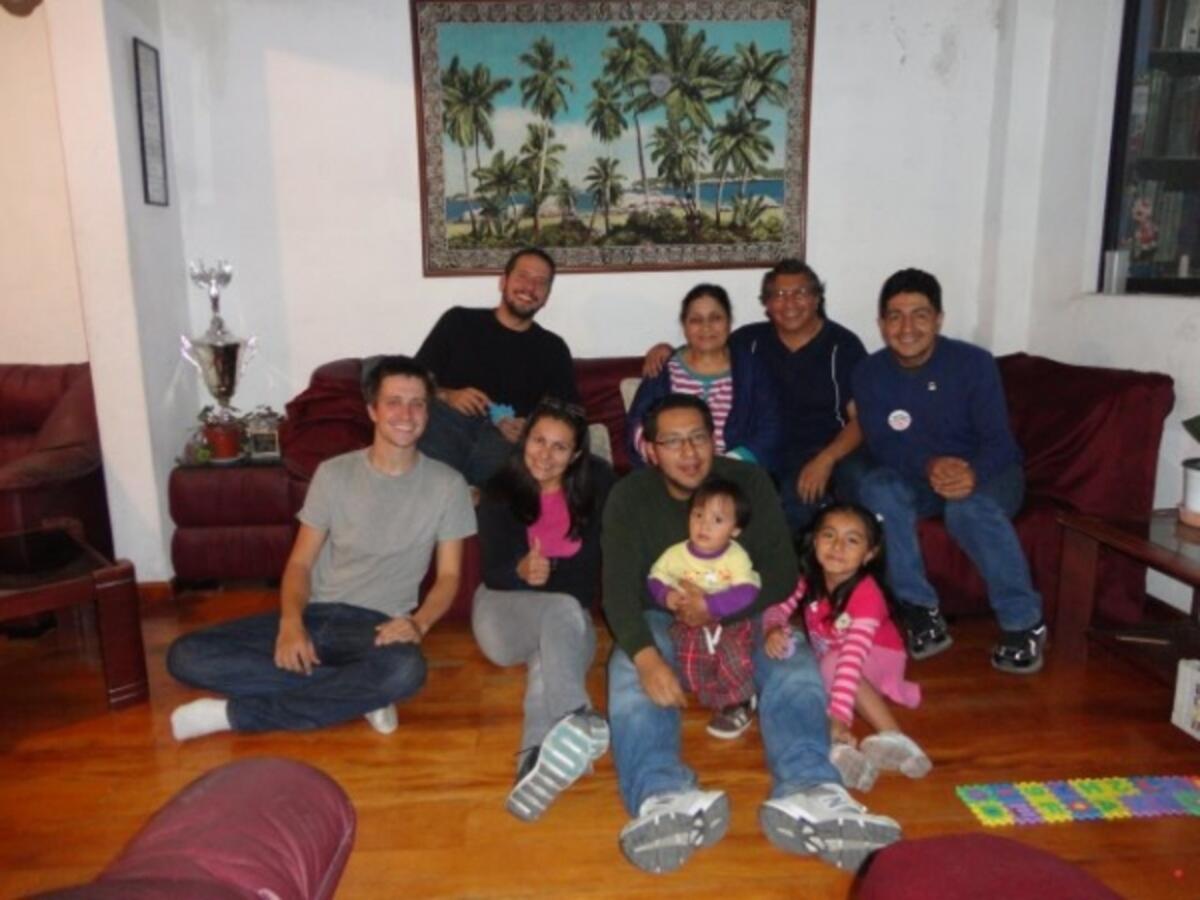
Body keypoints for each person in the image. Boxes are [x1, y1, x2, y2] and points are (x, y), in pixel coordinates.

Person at [602, 393, 901, 875]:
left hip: (744, 610)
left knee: (794, 658)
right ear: (650, 449)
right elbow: (616, 591)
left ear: (714, 437)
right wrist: (646, 657)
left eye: (698, 437)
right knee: (627, 668)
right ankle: (662, 797)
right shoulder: (630, 496)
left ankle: (810, 791)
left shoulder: (747, 481)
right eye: (673, 442)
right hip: (664, 618)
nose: (689, 452)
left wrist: (718, 606)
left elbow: (782, 573)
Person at [166, 356, 476, 740]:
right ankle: (360, 694)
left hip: (376, 628)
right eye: (394, 401)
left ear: (428, 413)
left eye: (417, 404)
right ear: (372, 410)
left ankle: (234, 715)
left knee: (405, 669)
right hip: (315, 614)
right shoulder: (334, 473)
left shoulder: (448, 485)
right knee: (185, 655)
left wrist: (419, 623)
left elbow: (448, 578)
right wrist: (291, 624)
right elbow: (299, 564)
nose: (406, 414)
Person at [852, 268, 1047, 673]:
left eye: (920, 314)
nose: (907, 328)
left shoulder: (973, 363)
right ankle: (919, 608)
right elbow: (883, 444)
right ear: (880, 323)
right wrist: (929, 465)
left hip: (988, 470)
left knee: (967, 510)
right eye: (895, 316)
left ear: (939, 318)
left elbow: (1000, 441)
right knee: (877, 488)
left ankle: (1024, 623)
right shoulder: (869, 373)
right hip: (914, 473)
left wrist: (972, 473)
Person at [643, 260, 869, 534]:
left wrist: (826, 459)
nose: (790, 303)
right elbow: (706, 346)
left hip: (824, 448)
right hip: (766, 450)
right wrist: (665, 349)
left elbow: (862, 420)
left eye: (800, 293)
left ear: (816, 298)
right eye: (779, 295)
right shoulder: (750, 341)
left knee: (796, 501)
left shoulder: (843, 345)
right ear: (767, 304)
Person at [472, 398, 613, 822]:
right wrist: (519, 568)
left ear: (577, 455)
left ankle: (532, 764)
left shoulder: (600, 484)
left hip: (564, 623)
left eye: (559, 447)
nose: (545, 455)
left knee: (548, 665)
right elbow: (494, 573)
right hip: (502, 615)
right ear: (524, 440)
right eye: (538, 441)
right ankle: (576, 716)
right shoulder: (498, 490)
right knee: (563, 613)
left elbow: (587, 576)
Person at [764, 503, 930, 792]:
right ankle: (842, 749)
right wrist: (773, 629)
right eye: (829, 535)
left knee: (831, 664)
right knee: (807, 678)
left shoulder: (867, 594)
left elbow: (851, 659)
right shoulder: (808, 580)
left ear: (869, 553)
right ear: (814, 540)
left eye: (852, 540)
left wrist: (840, 716)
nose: (838, 546)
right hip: (834, 659)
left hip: (877, 658)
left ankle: (894, 735)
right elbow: (775, 610)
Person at [415, 247, 579, 486]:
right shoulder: (459, 322)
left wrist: (530, 428)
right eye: (522, 276)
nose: (530, 287)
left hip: (504, 445)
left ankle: (480, 503)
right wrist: (448, 395)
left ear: (546, 296)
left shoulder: (553, 348)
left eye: (540, 282)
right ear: (503, 282)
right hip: (447, 428)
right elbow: (410, 380)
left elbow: (569, 413)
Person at [647, 476, 761, 740]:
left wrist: (709, 604)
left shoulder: (735, 556)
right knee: (687, 657)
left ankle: (740, 700)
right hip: (688, 621)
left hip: (728, 620)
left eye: (717, 520)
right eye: (698, 515)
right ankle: (709, 693)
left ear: (735, 530)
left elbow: (747, 590)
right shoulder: (676, 554)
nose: (704, 525)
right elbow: (656, 577)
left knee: (733, 655)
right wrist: (667, 596)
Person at [627, 284, 780, 472]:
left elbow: (771, 428)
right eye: (696, 320)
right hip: (671, 470)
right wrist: (662, 459)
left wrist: (726, 463)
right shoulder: (663, 367)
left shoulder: (752, 369)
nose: (706, 327)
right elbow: (637, 424)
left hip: (733, 470)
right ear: (684, 326)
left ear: (729, 322)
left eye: (715, 318)